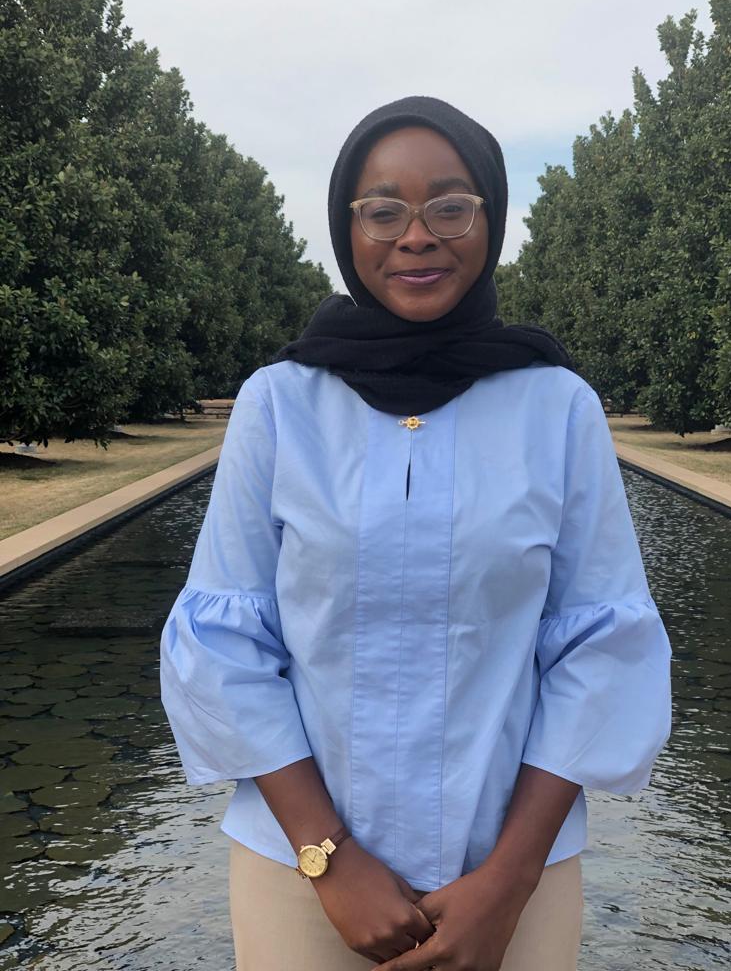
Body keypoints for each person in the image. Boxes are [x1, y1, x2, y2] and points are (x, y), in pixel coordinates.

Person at [159, 96, 673, 971]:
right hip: (301, 879)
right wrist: (332, 860)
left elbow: (598, 648)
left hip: (516, 882)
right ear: (346, 228)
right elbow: (225, 641)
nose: (418, 235)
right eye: (383, 210)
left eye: (450, 205)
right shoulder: (279, 405)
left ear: (491, 218)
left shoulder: (558, 409)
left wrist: (507, 884)